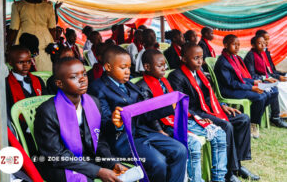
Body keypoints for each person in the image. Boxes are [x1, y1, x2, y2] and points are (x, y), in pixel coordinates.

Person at [88, 46, 187, 182]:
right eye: (123, 67)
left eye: (129, 67)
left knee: (180, 150)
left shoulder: (129, 85)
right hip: (121, 139)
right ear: (108, 67)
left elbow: (144, 113)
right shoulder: (97, 88)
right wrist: (116, 123)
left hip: (142, 132)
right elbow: (102, 123)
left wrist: (169, 107)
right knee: (159, 163)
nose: (128, 71)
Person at [168, 43, 259, 182]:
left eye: (201, 57)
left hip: (209, 108)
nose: (200, 61)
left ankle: (238, 165)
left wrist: (222, 105)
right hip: (195, 114)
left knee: (243, 119)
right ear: (184, 59)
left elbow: (209, 96)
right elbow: (181, 106)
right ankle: (229, 173)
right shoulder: (177, 76)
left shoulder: (199, 73)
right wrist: (200, 117)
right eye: (196, 58)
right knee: (225, 126)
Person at [136, 49, 227, 182]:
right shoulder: (143, 87)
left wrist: (197, 118)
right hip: (165, 125)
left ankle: (219, 178)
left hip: (181, 118)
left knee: (219, 134)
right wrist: (159, 131)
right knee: (193, 144)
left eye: (164, 65)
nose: (164, 68)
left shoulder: (164, 82)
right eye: (159, 66)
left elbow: (180, 104)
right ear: (147, 67)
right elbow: (149, 113)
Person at [34, 57, 127, 182]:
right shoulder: (47, 112)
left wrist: (111, 163)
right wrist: (98, 171)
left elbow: (99, 140)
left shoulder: (93, 102)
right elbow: (56, 156)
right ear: (59, 83)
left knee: (122, 174)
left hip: (86, 159)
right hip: (57, 164)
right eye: (74, 77)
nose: (83, 79)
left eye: (84, 74)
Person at [214, 35, 287, 137]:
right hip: (227, 90)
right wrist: (252, 87)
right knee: (259, 96)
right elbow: (231, 83)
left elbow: (240, 78)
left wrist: (254, 82)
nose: (237, 48)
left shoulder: (232, 58)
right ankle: (252, 124)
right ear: (225, 45)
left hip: (235, 87)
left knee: (267, 92)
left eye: (238, 45)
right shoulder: (223, 62)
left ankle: (255, 118)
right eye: (234, 45)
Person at [6, 45, 47, 155]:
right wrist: (27, 127)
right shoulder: (6, 84)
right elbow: (9, 113)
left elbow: (47, 103)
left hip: (43, 125)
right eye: (20, 62)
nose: (26, 65)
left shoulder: (37, 80)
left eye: (28, 61)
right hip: (22, 129)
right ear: (10, 63)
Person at [8, 0, 56, 71]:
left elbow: (13, 29)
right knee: (45, 70)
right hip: (45, 44)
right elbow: (52, 29)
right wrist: (54, 44)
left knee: (24, 69)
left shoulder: (17, 5)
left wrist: (8, 48)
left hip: (24, 42)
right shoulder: (48, 6)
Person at [244, 35, 287, 128]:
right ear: (253, 45)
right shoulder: (250, 56)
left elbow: (268, 72)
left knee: (274, 89)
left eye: (264, 43)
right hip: (254, 82)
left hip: (262, 80)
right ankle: (274, 116)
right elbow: (251, 75)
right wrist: (264, 79)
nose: (263, 45)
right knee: (273, 89)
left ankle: (274, 115)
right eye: (260, 43)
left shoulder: (261, 55)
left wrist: (271, 78)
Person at [255, 30, 287, 118]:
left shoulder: (266, 53)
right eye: (265, 39)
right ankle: (279, 114)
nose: (267, 42)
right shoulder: (255, 55)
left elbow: (272, 70)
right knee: (280, 87)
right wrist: (278, 77)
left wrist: (282, 74)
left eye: (268, 39)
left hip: (272, 77)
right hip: (265, 80)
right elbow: (263, 73)